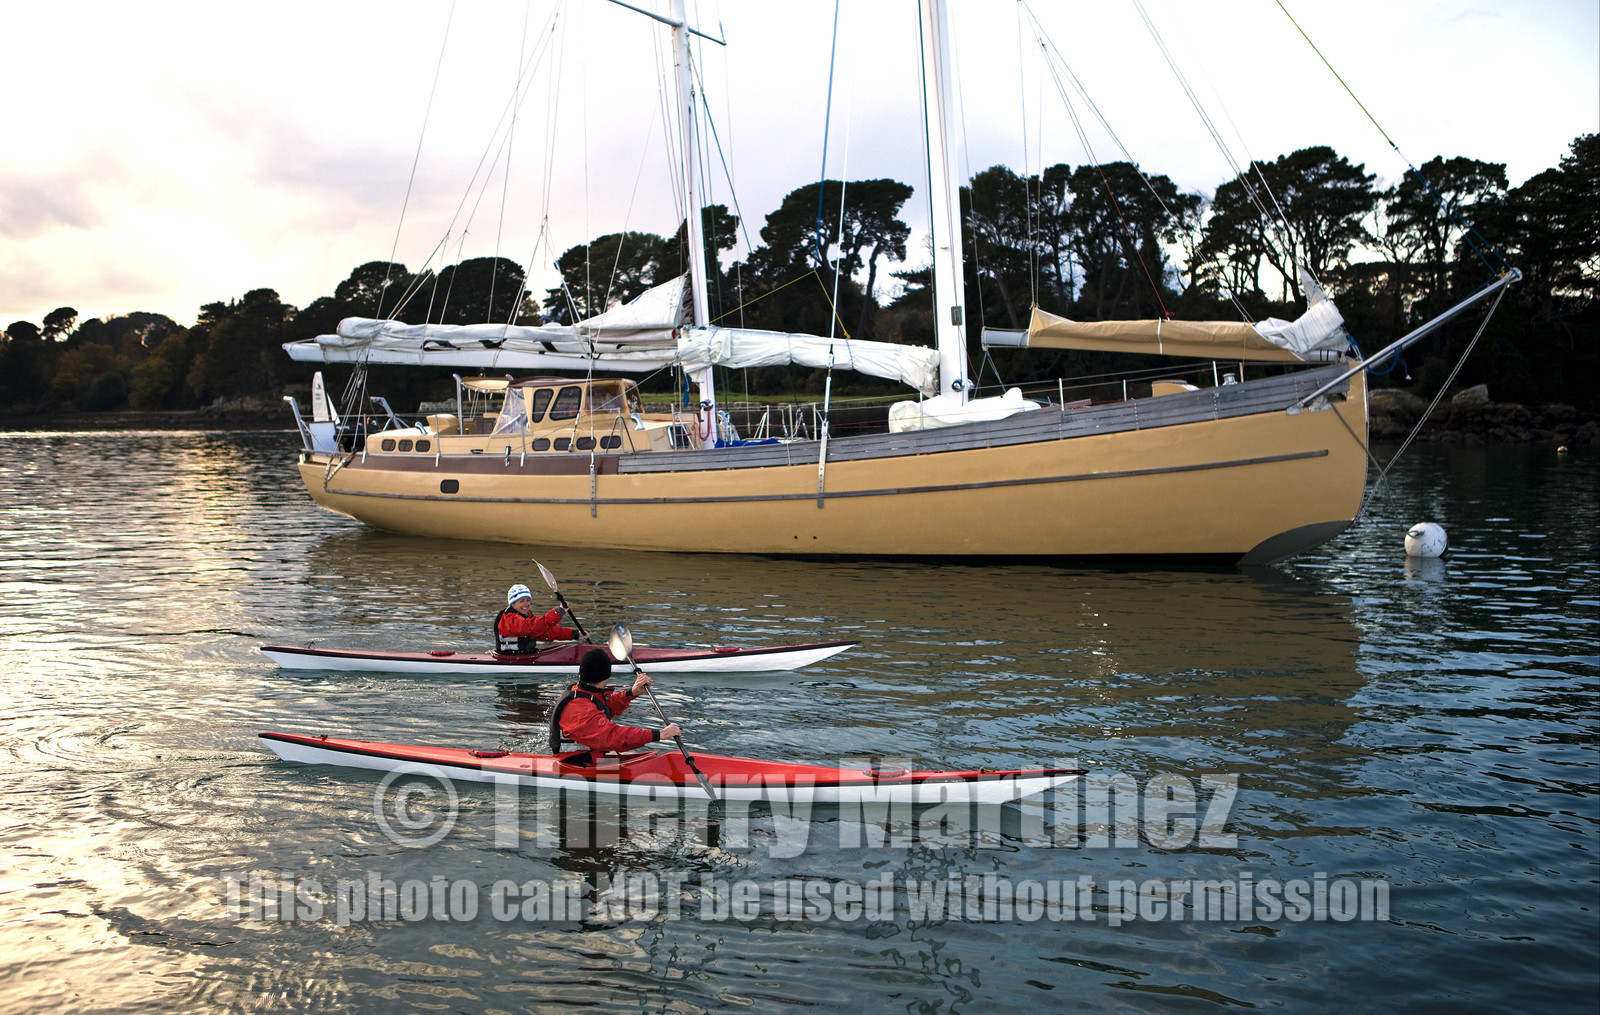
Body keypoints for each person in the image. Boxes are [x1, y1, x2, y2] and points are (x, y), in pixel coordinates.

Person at [547, 649, 681, 756]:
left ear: (581, 674)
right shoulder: (579, 708)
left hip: (588, 758)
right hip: (576, 765)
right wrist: (658, 734)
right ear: (607, 677)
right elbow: (612, 737)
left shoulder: (584, 692)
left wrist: (631, 693)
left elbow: (606, 707)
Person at [495, 583, 575, 654]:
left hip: (525, 656)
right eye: (522, 601)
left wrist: (573, 634)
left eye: (528, 600)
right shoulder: (509, 619)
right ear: (513, 603)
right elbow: (534, 627)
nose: (526, 604)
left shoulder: (527, 616)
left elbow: (546, 632)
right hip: (510, 657)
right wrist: (558, 612)